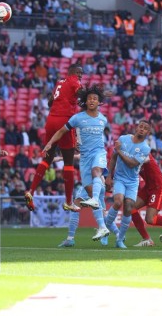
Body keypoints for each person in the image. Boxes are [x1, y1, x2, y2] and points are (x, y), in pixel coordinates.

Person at [43, 85, 110, 241]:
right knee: (92, 192)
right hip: (85, 158)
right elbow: (60, 131)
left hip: (99, 153)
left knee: (97, 172)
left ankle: (72, 237)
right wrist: (50, 144)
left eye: (95, 98)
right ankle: (102, 227)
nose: (92, 100)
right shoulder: (77, 118)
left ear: (99, 102)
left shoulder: (103, 119)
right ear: (85, 101)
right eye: (89, 98)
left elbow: (99, 140)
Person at [24, 64, 83, 213]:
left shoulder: (60, 83)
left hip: (51, 121)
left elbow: (51, 101)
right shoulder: (74, 80)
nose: (80, 76)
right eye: (79, 73)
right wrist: (89, 95)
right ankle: (69, 201)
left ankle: (31, 191)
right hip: (64, 121)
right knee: (69, 163)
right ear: (72, 72)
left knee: (47, 160)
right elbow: (81, 92)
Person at [104, 120, 151, 249]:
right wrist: (108, 176)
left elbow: (132, 163)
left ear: (148, 132)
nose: (142, 129)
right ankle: (105, 227)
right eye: (140, 126)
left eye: (145, 128)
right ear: (136, 128)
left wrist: (119, 151)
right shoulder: (123, 139)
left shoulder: (145, 148)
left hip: (132, 181)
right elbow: (113, 158)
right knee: (118, 202)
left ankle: (119, 240)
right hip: (119, 178)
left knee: (128, 208)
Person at [130, 153, 162, 247]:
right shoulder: (129, 156)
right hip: (148, 187)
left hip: (159, 187)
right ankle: (146, 239)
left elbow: (146, 159)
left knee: (150, 219)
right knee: (130, 208)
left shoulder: (141, 151)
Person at [58, 180, 109, 247]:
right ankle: (116, 235)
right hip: (100, 184)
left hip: (90, 183)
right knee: (101, 210)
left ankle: (70, 239)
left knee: (75, 206)